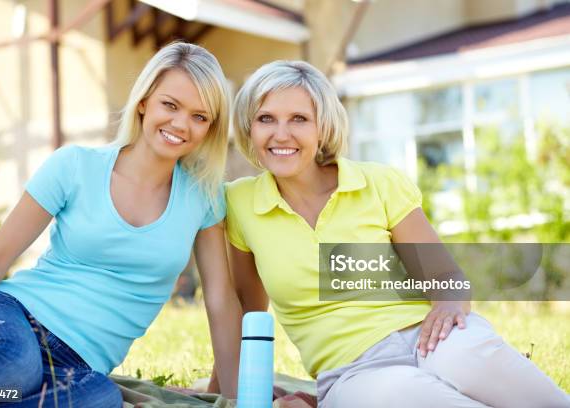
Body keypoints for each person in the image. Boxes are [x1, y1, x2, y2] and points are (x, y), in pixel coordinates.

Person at [223, 60, 570, 407]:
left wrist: (449, 303)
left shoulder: (378, 183)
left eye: (299, 119)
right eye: (265, 118)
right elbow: (246, 314)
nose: (281, 134)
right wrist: (224, 386)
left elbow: (445, 276)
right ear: (248, 128)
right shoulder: (241, 203)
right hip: (354, 373)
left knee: (482, 365)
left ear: (322, 127)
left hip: (430, 337)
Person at [0, 42, 241, 407]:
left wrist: (237, 398)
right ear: (144, 101)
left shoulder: (204, 195)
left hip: (79, 364)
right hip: (14, 320)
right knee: (13, 369)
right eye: (170, 105)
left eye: (199, 117)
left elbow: (219, 300)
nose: (180, 124)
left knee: (101, 400)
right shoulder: (75, 165)